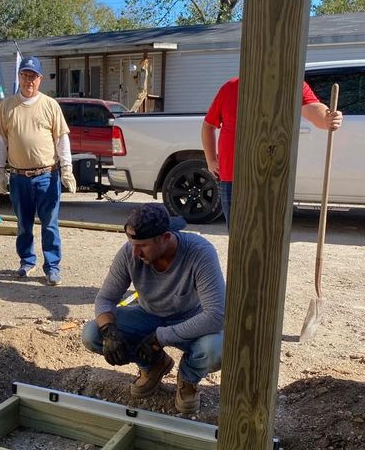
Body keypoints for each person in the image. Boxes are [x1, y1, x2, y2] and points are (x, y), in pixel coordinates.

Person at [81, 203, 225, 415]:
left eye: (143, 245)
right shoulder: (130, 252)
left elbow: (215, 315)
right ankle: (153, 365)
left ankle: (188, 378)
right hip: (147, 316)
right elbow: (105, 298)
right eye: (132, 243)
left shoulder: (199, 252)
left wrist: (161, 338)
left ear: (165, 237)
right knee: (92, 334)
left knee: (217, 350)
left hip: (190, 319)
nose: (135, 251)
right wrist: (109, 332)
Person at [201, 76, 343, 227]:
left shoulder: (290, 83)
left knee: (269, 235)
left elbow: (312, 107)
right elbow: (208, 125)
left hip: (272, 176)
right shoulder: (231, 86)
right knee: (237, 235)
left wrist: (327, 117)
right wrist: (211, 160)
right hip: (232, 176)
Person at [0, 55, 77, 286]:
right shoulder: (7, 106)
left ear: (40, 79)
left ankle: (52, 266)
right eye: (25, 75)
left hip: (47, 176)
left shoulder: (50, 105)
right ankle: (26, 261)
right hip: (19, 177)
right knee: (23, 223)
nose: (28, 80)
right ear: (19, 76)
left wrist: (67, 168)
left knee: (50, 223)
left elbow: (61, 139)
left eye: (33, 76)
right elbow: (0, 141)